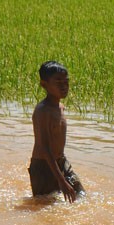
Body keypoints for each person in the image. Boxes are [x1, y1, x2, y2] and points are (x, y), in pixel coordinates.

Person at [28, 61, 84, 202]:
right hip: (43, 167)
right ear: (44, 84)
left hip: (61, 161)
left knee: (81, 197)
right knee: (44, 207)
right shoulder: (43, 111)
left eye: (66, 81)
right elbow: (44, 147)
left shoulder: (60, 107)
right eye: (58, 82)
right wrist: (61, 180)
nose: (64, 86)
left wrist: (62, 177)